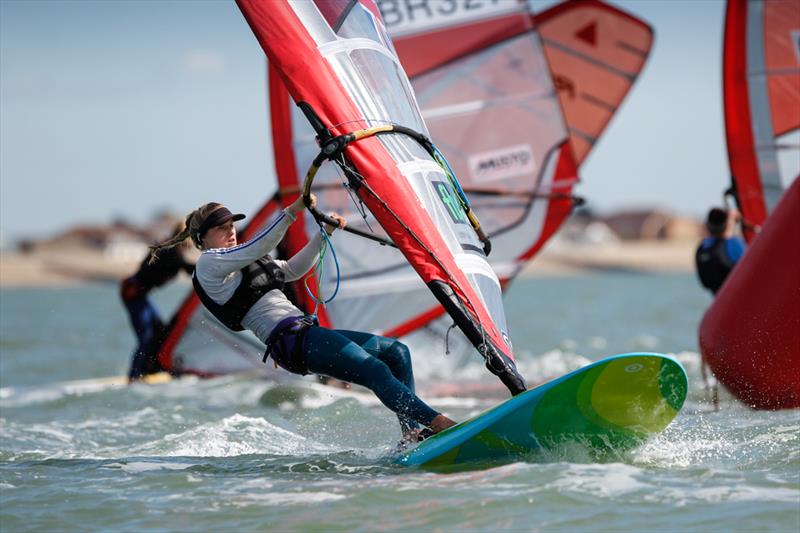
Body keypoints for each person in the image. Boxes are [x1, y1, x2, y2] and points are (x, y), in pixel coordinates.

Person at [147, 197, 457, 443]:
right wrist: (292, 211)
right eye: (221, 228)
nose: (230, 231)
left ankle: (412, 434)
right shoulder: (210, 265)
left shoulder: (246, 257)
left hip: (304, 332)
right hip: (290, 342)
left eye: (232, 225)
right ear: (202, 238)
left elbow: (292, 270)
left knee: (395, 353)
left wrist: (324, 236)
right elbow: (263, 244)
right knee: (373, 369)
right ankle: (437, 422)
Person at [120, 223, 195, 381]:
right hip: (132, 293)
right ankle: (133, 377)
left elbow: (186, 268)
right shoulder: (169, 251)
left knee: (160, 331)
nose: (191, 246)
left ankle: (150, 369)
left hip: (141, 296)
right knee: (146, 337)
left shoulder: (170, 250)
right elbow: (187, 268)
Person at [695, 207, 746, 295]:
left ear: (708, 225)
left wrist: (730, 222)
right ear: (726, 225)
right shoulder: (733, 243)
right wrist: (732, 222)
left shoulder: (702, 247)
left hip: (718, 296)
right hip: (736, 294)